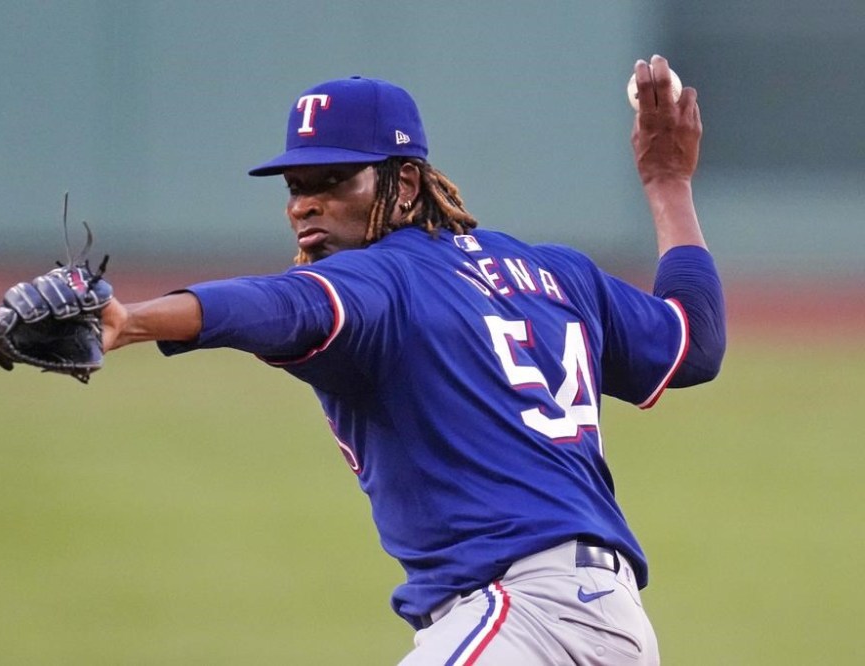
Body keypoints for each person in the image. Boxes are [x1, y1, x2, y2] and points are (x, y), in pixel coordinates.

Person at [100, 56, 725, 664]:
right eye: (297, 187)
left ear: (403, 184)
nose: (303, 206)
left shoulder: (382, 281)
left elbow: (278, 306)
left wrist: (131, 321)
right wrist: (668, 184)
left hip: (525, 622)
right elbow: (692, 339)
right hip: (600, 619)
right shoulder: (554, 272)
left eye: (335, 181)